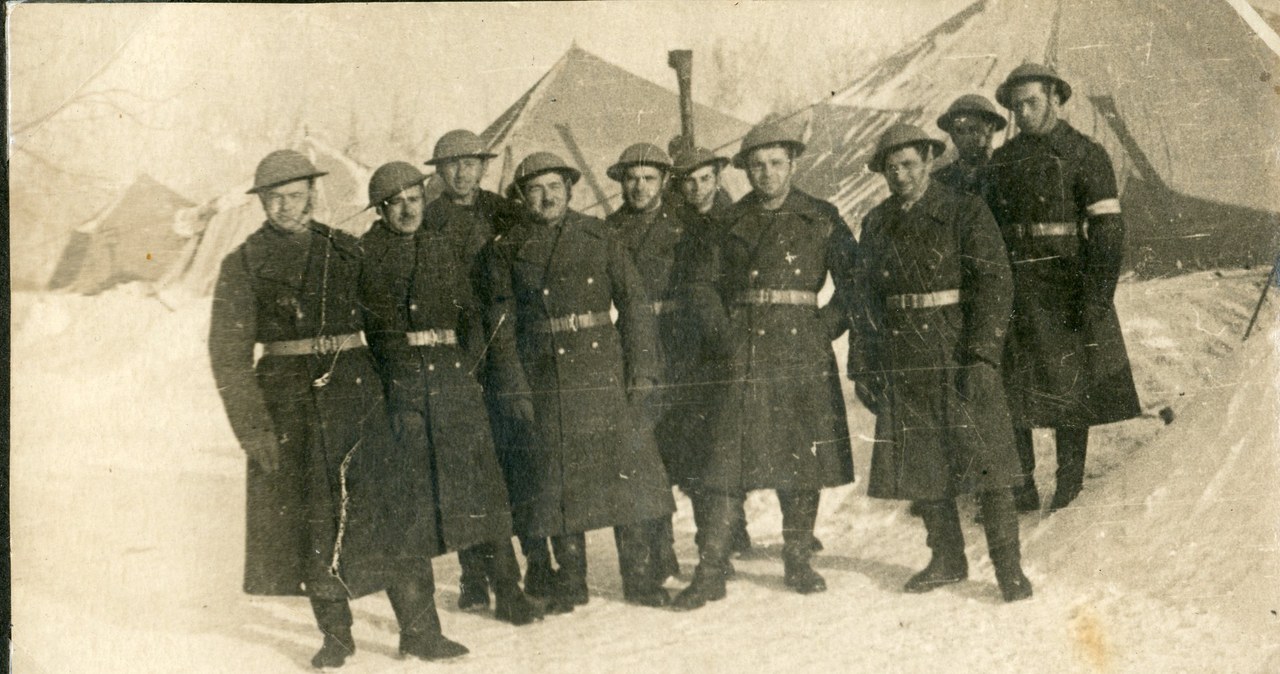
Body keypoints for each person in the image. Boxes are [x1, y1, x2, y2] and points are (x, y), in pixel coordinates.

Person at [209, 150, 467, 668]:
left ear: (313, 194)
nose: (285, 207)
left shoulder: (345, 251)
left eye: (295, 195)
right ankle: (336, 637)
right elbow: (228, 355)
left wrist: (406, 398)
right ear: (262, 203)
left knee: (392, 511)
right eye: (274, 198)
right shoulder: (244, 263)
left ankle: (420, 631)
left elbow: (387, 325)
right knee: (314, 521)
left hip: (360, 394)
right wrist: (253, 428)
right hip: (289, 407)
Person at [674, 119, 857, 610]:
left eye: (776, 163)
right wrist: (725, 336)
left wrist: (825, 326)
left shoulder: (821, 216)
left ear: (793, 164)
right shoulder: (728, 222)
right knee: (724, 461)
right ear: (745, 171)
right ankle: (711, 570)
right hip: (744, 351)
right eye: (757, 165)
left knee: (801, 457)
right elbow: (700, 286)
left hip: (801, 349)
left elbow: (855, 283)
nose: (767, 174)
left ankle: (797, 558)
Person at [482, 151, 676, 611]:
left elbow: (633, 305)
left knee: (627, 477)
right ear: (523, 197)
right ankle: (571, 582)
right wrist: (514, 386)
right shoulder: (506, 250)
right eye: (535, 189)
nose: (546, 196)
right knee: (558, 484)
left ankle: (641, 579)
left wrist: (643, 369)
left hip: (602, 370)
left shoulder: (599, 235)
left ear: (570, 190)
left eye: (554, 187)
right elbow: (501, 326)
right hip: (545, 374)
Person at [850, 124, 1032, 603]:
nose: (901, 174)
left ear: (929, 161)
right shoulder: (876, 223)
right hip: (902, 354)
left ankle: (1009, 569)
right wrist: (863, 363)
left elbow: (995, 284)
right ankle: (947, 558)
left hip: (958, 350)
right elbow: (864, 299)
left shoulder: (964, 210)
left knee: (988, 464)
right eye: (891, 167)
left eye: (909, 163)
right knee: (924, 467)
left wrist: (982, 354)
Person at [358, 161, 543, 627]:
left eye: (414, 200)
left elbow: (469, 313)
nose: (407, 210)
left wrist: (472, 366)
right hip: (405, 387)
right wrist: (401, 397)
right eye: (395, 203)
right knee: (418, 495)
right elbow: (378, 335)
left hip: (454, 379)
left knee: (482, 483)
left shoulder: (439, 246)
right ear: (380, 211)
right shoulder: (367, 254)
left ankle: (508, 589)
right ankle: (444, 599)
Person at [985, 63, 1142, 512]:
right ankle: (1021, 483)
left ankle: (1069, 483)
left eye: (1032, 101)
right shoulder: (1003, 160)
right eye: (1016, 106)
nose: (1024, 111)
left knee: (1070, 387)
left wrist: (1096, 295)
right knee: (1012, 384)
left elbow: (1108, 230)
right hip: (1015, 286)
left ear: (1055, 98)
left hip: (1065, 286)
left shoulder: (1085, 153)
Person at [419, 129, 551, 609]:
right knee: (469, 465)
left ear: (483, 167)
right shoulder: (427, 219)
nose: (462, 173)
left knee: (520, 455)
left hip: (508, 346)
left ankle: (539, 563)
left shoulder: (505, 210)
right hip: (458, 354)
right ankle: (475, 574)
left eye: (471, 163)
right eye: (452, 164)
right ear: (438, 171)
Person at [668, 145, 754, 558]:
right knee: (696, 440)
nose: (697, 188)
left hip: (725, 340)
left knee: (728, 437)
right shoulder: (675, 223)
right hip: (685, 348)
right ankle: (715, 531)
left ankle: (736, 528)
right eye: (689, 180)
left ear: (718, 179)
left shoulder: (735, 219)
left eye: (705, 179)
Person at [933, 94, 1006, 196]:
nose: (966, 138)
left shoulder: (1009, 171)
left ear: (990, 129)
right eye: (959, 131)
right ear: (952, 135)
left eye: (974, 130)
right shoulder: (939, 180)